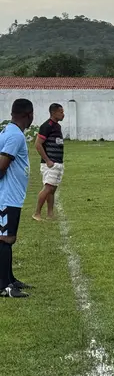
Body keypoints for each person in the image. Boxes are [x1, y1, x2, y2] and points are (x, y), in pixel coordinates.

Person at [1, 99, 35, 298]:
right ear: (28, 114)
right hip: (7, 197)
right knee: (5, 238)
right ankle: (4, 286)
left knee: (8, 239)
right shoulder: (15, 135)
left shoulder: (8, 131)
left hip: (10, 196)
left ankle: (10, 279)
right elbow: (2, 166)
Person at [33, 103, 65, 221]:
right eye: (61, 112)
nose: (63, 114)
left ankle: (50, 214)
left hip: (57, 162)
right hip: (50, 164)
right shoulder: (47, 126)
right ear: (53, 113)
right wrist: (47, 160)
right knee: (48, 188)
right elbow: (38, 144)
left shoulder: (57, 126)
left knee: (52, 189)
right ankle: (37, 213)